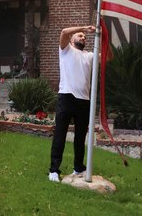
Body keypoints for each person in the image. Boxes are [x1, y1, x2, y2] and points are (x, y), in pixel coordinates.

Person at [48, 25, 96, 182]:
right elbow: (63, 32)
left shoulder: (89, 56)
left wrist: (103, 37)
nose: (83, 37)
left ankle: (78, 168)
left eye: (84, 37)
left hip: (84, 101)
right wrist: (84, 28)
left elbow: (108, 58)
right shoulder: (66, 50)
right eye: (80, 36)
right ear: (73, 38)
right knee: (60, 135)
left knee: (80, 137)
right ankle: (54, 170)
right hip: (66, 97)